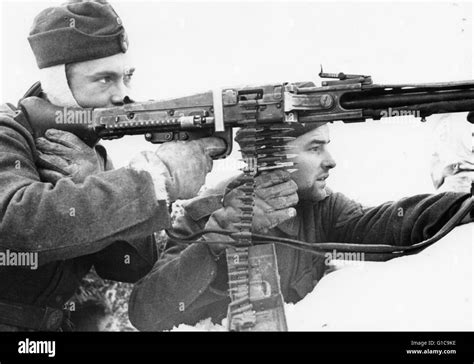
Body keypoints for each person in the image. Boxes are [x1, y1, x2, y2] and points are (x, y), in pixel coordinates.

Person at [0, 0, 224, 331]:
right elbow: (15, 224)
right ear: (60, 85)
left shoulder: (90, 152)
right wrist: (155, 178)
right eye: (104, 79)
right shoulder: (8, 133)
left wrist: (101, 179)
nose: (123, 95)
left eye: (126, 77)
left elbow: (130, 265)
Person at [128, 121, 472, 331]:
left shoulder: (323, 210)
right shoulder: (207, 213)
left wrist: (463, 204)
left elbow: (390, 222)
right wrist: (215, 243)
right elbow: (145, 312)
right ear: (272, 160)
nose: (331, 161)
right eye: (315, 147)